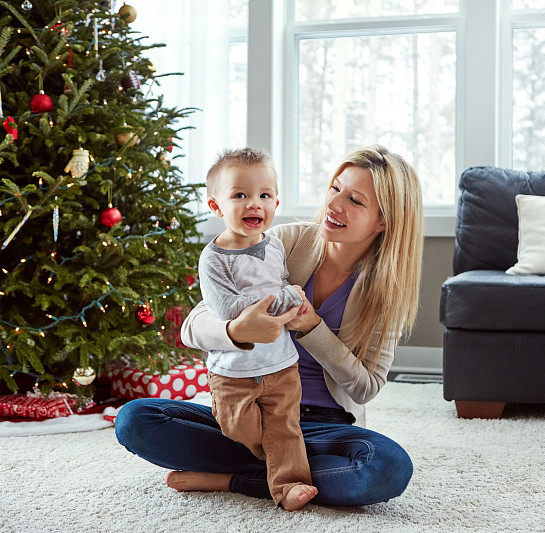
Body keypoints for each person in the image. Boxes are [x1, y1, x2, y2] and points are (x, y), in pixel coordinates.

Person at [114, 145, 423, 507]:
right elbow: (194, 325)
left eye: (354, 200)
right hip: (248, 411)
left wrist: (312, 327)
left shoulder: (386, 291)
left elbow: (366, 387)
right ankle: (285, 473)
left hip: (319, 425)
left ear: (383, 221)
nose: (334, 205)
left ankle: (233, 479)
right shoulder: (283, 242)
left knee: (387, 468)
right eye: (335, 188)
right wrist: (236, 332)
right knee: (135, 419)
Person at [198, 148, 316, 510]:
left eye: (264, 195)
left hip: (281, 365)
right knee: (238, 428)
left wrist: (286, 297)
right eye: (240, 195)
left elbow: (281, 287)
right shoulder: (213, 258)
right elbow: (227, 309)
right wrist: (285, 297)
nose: (255, 204)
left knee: (285, 427)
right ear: (217, 206)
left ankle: (288, 487)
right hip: (233, 372)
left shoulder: (276, 246)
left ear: (275, 202)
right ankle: (260, 462)